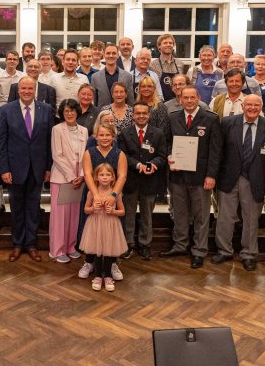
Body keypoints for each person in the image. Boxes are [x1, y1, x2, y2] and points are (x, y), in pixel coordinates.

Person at [214, 95, 265, 271]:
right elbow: (218, 150)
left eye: (256, 105)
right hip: (228, 177)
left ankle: (249, 254)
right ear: (242, 106)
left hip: (255, 179)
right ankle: (224, 250)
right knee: (225, 217)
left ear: (262, 107)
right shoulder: (227, 123)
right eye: (249, 104)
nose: (252, 108)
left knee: (251, 219)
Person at [161, 87, 222, 269]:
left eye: (192, 97)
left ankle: (199, 251)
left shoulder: (211, 119)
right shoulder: (173, 117)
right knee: (180, 213)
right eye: (185, 97)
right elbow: (167, 142)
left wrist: (211, 175)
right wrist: (169, 156)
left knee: (201, 216)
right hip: (178, 175)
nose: (189, 101)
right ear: (180, 99)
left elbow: (215, 150)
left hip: (201, 177)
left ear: (198, 98)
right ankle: (180, 245)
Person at [0, 76, 54, 262]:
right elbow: (1, 142)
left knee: (33, 208)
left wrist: (48, 167)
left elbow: (49, 142)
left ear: (35, 90)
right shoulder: (7, 110)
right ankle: (17, 244)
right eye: (24, 88)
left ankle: (31, 244)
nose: (27, 91)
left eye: (30, 88)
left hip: (37, 168)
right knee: (16, 208)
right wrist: (4, 169)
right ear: (18, 90)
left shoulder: (46, 110)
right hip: (14, 169)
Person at [117, 101, 167, 261]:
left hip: (150, 180)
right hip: (131, 181)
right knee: (129, 215)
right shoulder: (124, 133)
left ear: (149, 115)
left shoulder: (158, 133)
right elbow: (123, 155)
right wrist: (138, 165)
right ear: (132, 115)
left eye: (144, 113)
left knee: (147, 215)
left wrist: (153, 164)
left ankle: (145, 244)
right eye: (138, 113)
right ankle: (128, 243)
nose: (141, 116)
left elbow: (162, 155)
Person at [78, 120, 127, 281]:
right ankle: (89, 262)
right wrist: (96, 195)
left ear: (113, 137)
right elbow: (87, 174)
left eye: (108, 135)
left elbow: (122, 176)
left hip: (114, 196)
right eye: (101, 135)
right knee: (92, 231)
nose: (105, 138)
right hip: (93, 195)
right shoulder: (89, 152)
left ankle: (112, 264)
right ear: (95, 136)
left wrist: (113, 196)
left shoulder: (119, 154)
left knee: (111, 232)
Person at [49, 99, 88, 263]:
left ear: (77, 112)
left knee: (74, 215)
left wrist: (82, 175)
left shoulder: (84, 130)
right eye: (66, 111)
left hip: (79, 178)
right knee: (60, 217)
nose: (70, 113)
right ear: (62, 113)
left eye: (72, 110)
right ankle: (57, 250)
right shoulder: (57, 129)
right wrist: (72, 176)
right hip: (62, 177)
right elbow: (57, 155)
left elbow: (85, 154)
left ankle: (71, 247)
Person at [79, 163, 128, 292]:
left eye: (108, 174)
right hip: (95, 225)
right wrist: (92, 209)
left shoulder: (116, 194)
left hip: (110, 225)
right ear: (96, 177)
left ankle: (108, 276)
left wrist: (113, 211)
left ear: (113, 177)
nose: (105, 177)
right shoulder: (92, 193)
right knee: (97, 251)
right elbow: (86, 210)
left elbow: (122, 211)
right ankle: (97, 277)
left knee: (108, 252)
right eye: (101, 174)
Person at [148, 34, 186, 101]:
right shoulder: (152, 65)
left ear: (173, 45)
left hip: (178, 101)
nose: (168, 45)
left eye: (170, 43)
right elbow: (151, 87)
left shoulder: (180, 63)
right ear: (159, 46)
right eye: (165, 43)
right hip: (160, 102)